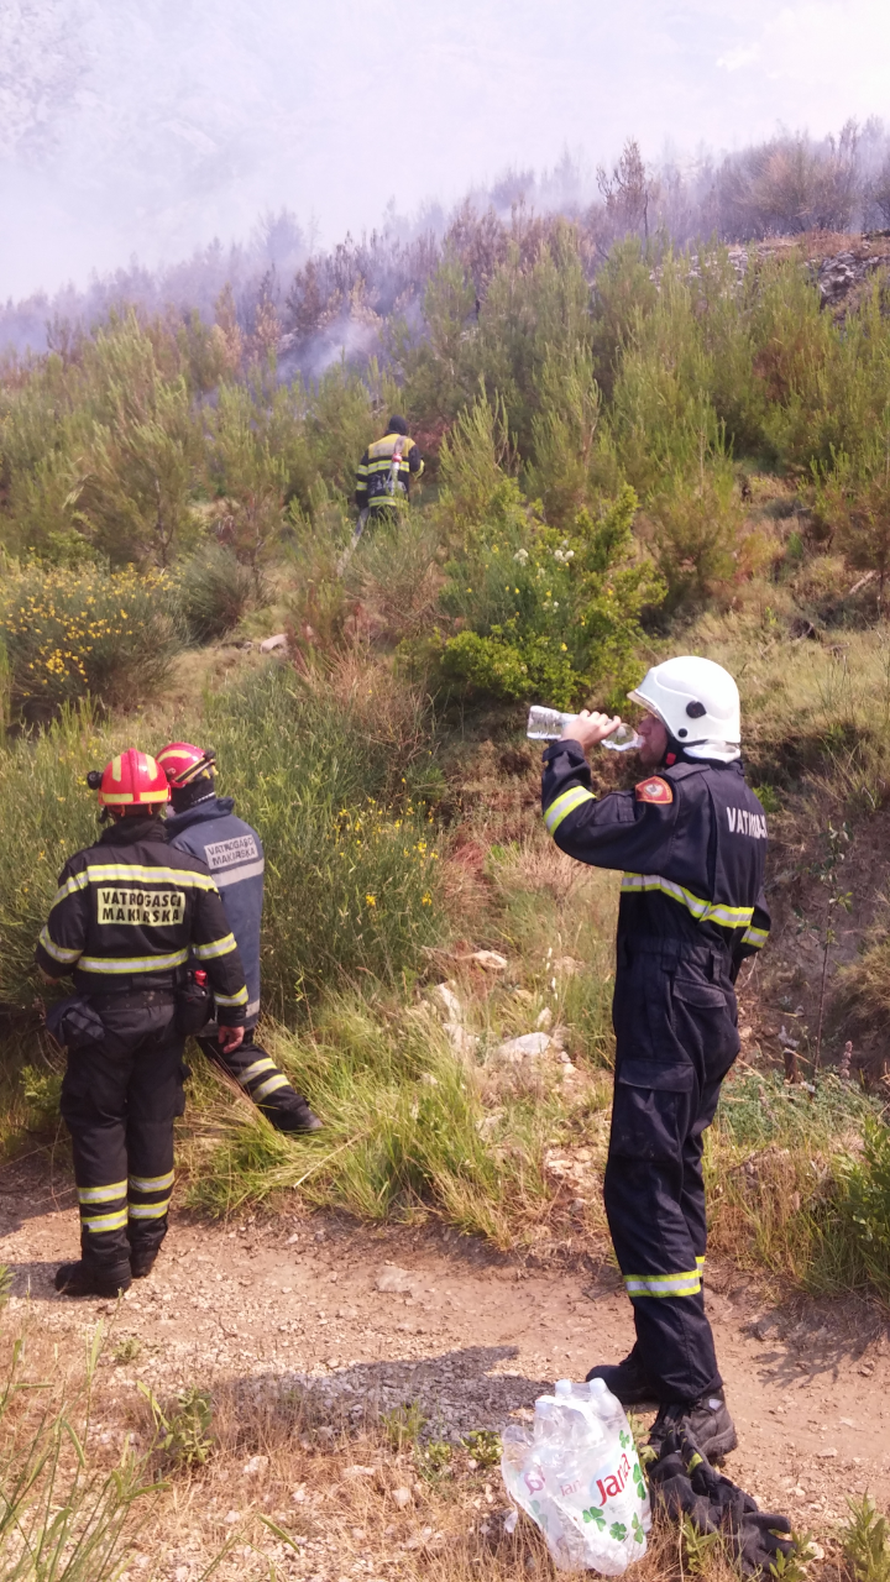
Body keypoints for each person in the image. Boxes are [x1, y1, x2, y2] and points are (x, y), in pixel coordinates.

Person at [540, 656, 770, 1460]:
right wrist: (705, 975)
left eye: (648, 720)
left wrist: (568, 749)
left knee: (642, 1187)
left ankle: (698, 1396)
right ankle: (660, 1358)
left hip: (669, 1007)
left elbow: (575, 826)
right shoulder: (743, 805)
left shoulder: (681, 798)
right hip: (706, 1008)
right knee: (673, 1178)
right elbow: (758, 926)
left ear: (684, 726)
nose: (636, 730)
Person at [37, 749, 248, 1298]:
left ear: (107, 807)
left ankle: (106, 1267)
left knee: (100, 1130)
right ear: (162, 801)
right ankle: (144, 1250)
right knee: (154, 1128)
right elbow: (223, 954)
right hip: (167, 1025)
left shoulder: (87, 869)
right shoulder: (191, 871)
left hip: (101, 1029)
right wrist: (233, 1018)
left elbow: (54, 959)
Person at [156, 742, 322, 1134]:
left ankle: (298, 1121)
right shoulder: (246, 833)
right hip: (245, 975)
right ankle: (299, 1120)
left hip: (207, 982)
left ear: (174, 790)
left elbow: (183, 926)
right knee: (240, 1051)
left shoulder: (183, 847)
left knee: (224, 1053)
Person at [354, 414, 423, 523]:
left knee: (379, 537)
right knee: (399, 537)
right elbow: (417, 469)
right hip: (397, 503)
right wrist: (421, 462)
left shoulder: (371, 448)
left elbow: (362, 481)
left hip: (375, 506)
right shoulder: (408, 444)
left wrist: (362, 504)